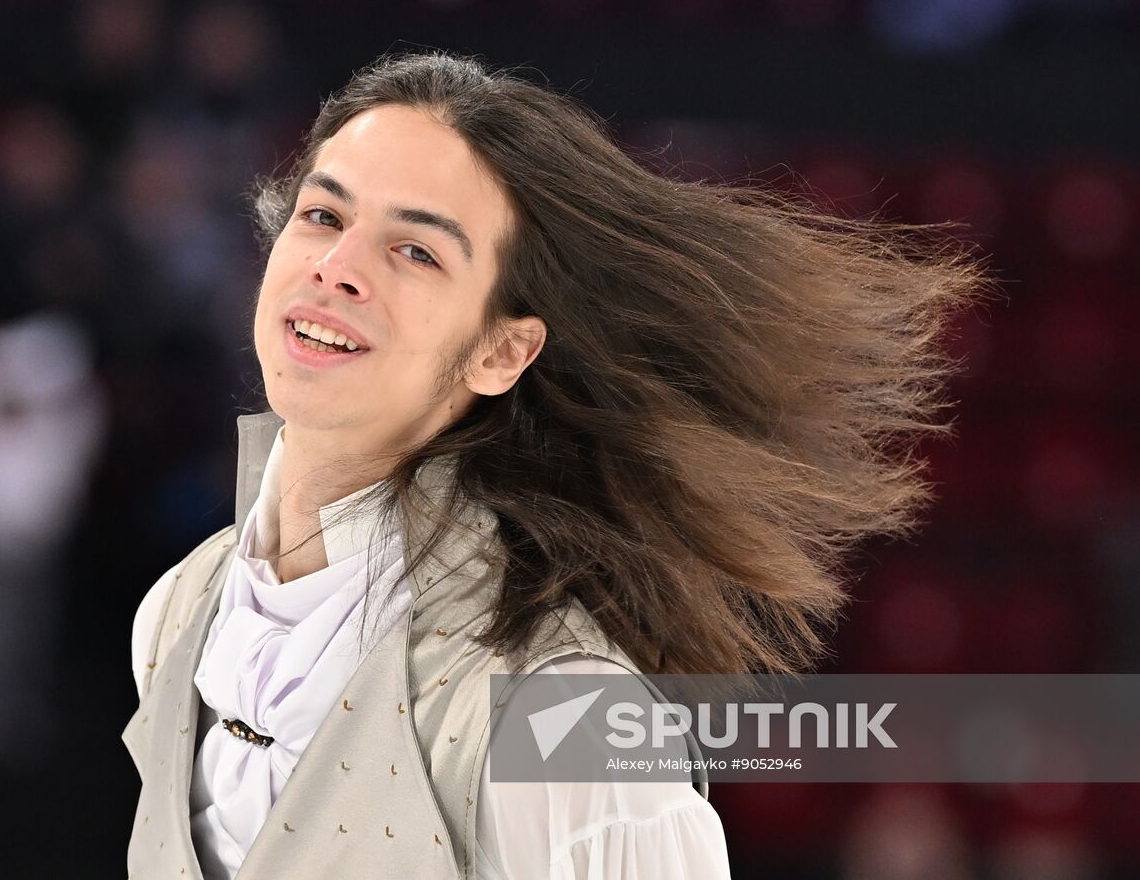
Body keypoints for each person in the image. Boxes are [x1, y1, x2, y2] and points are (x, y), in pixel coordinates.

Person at [124, 51, 991, 879]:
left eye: (417, 250)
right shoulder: (175, 615)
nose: (338, 267)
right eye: (324, 215)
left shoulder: (563, 722)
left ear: (502, 351)